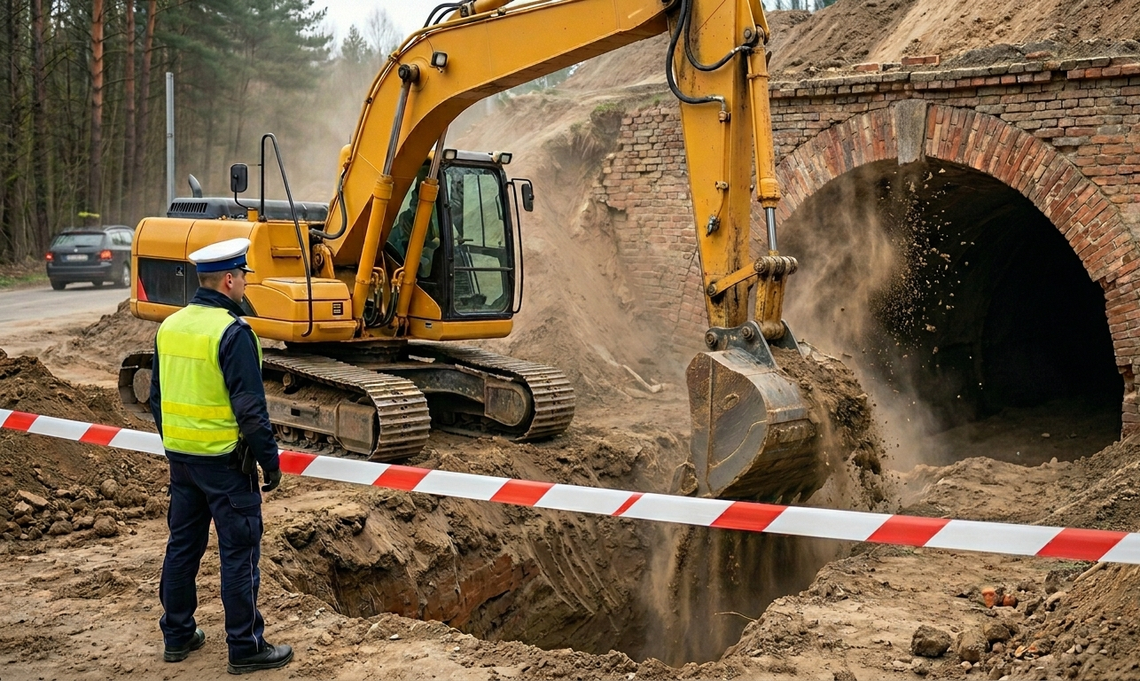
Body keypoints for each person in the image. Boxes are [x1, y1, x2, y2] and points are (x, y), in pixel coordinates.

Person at [149, 237, 293, 674]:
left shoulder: (169, 326)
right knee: (238, 553)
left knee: (182, 548)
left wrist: (178, 441)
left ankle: (177, 636)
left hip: (182, 461)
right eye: (244, 276)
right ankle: (245, 648)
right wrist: (270, 461)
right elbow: (251, 409)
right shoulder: (233, 332)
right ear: (229, 280)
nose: (246, 283)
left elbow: (156, 398)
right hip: (227, 466)